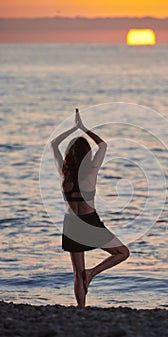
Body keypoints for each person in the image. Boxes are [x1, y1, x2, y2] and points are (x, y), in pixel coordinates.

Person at [50, 109, 130, 307]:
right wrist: (84, 129)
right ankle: (92, 273)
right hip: (89, 222)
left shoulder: (63, 173)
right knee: (122, 253)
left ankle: (81, 309)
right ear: (88, 155)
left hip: (71, 224)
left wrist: (72, 128)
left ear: (69, 154)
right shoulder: (91, 171)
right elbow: (103, 145)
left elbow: (53, 144)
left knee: (77, 273)